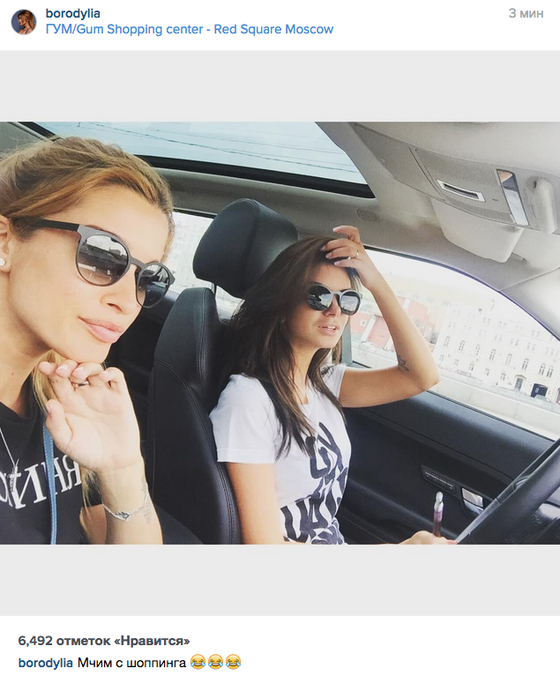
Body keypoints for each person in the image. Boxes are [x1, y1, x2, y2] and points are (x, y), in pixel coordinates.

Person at [211, 226, 454, 545]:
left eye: (348, 299)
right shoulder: (247, 400)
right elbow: (264, 547)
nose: (335, 310)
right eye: (318, 296)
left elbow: (421, 376)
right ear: (282, 304)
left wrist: (374, 281)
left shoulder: (325, 382)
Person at [0, 136, 175, 544]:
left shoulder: (63, 400)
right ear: (5, 241)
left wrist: (122, 469)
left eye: (148, 278)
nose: (128, 302)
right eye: (102, 256)